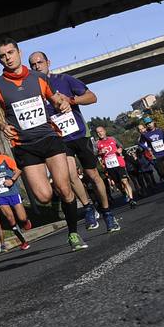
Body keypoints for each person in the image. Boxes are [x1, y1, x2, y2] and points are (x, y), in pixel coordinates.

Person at [0, 38, 89, 252]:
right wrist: (1, 125)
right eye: (2, 56)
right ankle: (53, 187)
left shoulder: (40, 78)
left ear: (19, 53)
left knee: (64, 187)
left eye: (10, 53)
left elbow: (55, 100)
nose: (7, 58)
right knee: (44, 196)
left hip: (49, 138)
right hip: (24, 145)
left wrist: (62, 105)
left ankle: (73, 234)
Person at [29, 52, 118, 232]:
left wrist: (72, 99)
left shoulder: (65, 80)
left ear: (48, 62)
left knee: (92, 175)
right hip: (58, 138)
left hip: (79, 134)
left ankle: (107, 211)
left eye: (40, 62)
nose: (37, 66)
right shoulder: (33, 88)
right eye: (33, 65)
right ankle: (88, 207)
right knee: (70, 176)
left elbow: (92, 97)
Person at [93, 126, 137, 208]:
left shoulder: (112, 139)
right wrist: (100, 152)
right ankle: (124, 193)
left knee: (124, 181)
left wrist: (120, 149)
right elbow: (94, 153)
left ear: (105, 131)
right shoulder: (97, 143)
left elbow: (121, 146)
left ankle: (131, 199)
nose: (100, 133)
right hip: (109, 166)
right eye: (98, 132)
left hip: (119, 163)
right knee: (118, 184)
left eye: (101, 131)